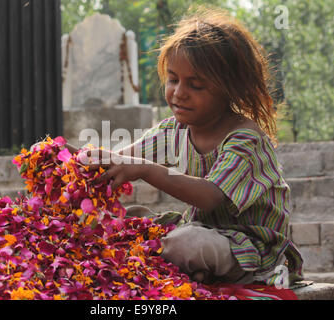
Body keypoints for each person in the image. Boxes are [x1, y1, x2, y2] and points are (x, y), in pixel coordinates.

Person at [60, 6, 304, 286]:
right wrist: (74, 160)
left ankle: (207, 269)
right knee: (126, 221)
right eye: (173, 80)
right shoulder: (174, 130)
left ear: (229, 90)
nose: (178, 93)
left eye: (196, 85)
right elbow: (122, 159)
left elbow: (209, 196)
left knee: (188, 243)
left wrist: (147, 170)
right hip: (201, 230)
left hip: (250, 249)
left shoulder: (246, 140)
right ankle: (200, 272)